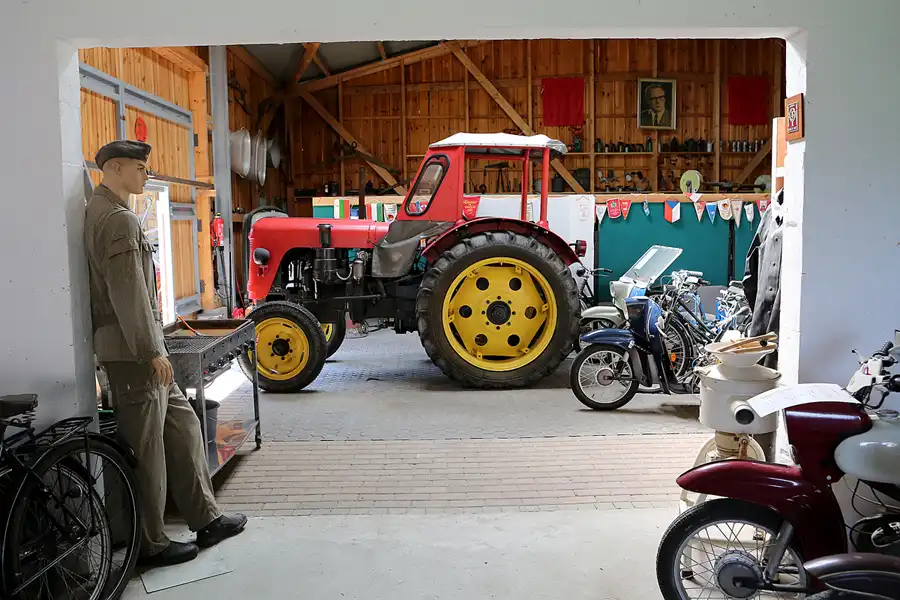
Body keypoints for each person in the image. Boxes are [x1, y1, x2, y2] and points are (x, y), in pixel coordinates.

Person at [84, 140, 246, 568]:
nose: (144, 175)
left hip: (143, 351)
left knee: (184, 425)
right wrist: (151, 349)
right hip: (135, 355)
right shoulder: (115, 220)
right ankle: (150, 543)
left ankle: (206, 518)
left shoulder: (111, 212)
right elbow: (128, 293)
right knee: (147, 449)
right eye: (138, 168)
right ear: (114, 168)